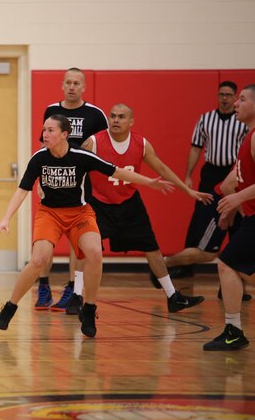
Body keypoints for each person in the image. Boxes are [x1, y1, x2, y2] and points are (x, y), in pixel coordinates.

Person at [0, 114, 173, 338]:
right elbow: (22, 190)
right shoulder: (39, 158)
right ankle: (10, 306)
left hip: (79, 213)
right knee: (38, 259)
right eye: (44, 130)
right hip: (50, 214)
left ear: (64, 134)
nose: (44, 135)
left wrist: (149, 183)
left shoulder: (81, 155)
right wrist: (5, 218)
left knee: (95, 253)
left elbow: (115, 170)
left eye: (50, 130)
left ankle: (89, 308)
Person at [81, 103, 209, 313]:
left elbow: (162, 168)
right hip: (99, 204)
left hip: (130, 203)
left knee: (152, 248)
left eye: (121, 117)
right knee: (86, 251)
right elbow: (76, 165)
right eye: (112, 116)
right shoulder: (94, 142)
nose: (115, 120)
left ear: (131, 122)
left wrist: (188, 191)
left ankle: (173, 296)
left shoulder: (141, 144)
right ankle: (77, 297)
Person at [36, 68, 109, 314]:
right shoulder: (51, 111)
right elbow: (42, 145)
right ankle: (43, 286)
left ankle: (72, 288)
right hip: (52, 177)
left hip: (80, 180)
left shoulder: (95, 114)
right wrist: (38, 178)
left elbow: (105, 145)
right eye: (68, 82)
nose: (72, 87)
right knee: (44, 236)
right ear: (62, 85)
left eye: (77, 83)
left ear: (84, 87)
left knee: (77, 238)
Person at [168, 81, 248, 281]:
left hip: (234, 173)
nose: (225, 98)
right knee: (201, 224)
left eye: (229, 95)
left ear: (235, 97)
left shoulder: (244, 122)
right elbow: (196, 148)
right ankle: (182, 266)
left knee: (238, 226)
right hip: (211, 175)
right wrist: (187, 174)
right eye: (221, 94)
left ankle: (232, 281)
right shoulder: (206, 119)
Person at [203, 83, 255, 351]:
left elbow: (236, 188)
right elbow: (232, 181)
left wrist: (237, 199)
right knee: (235, 267)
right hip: (251, 217)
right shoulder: (247, 137)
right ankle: (233, 329)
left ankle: (234, 330)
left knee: (226, 264)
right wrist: (231, 206)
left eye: (242, 99)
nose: (236, 103)